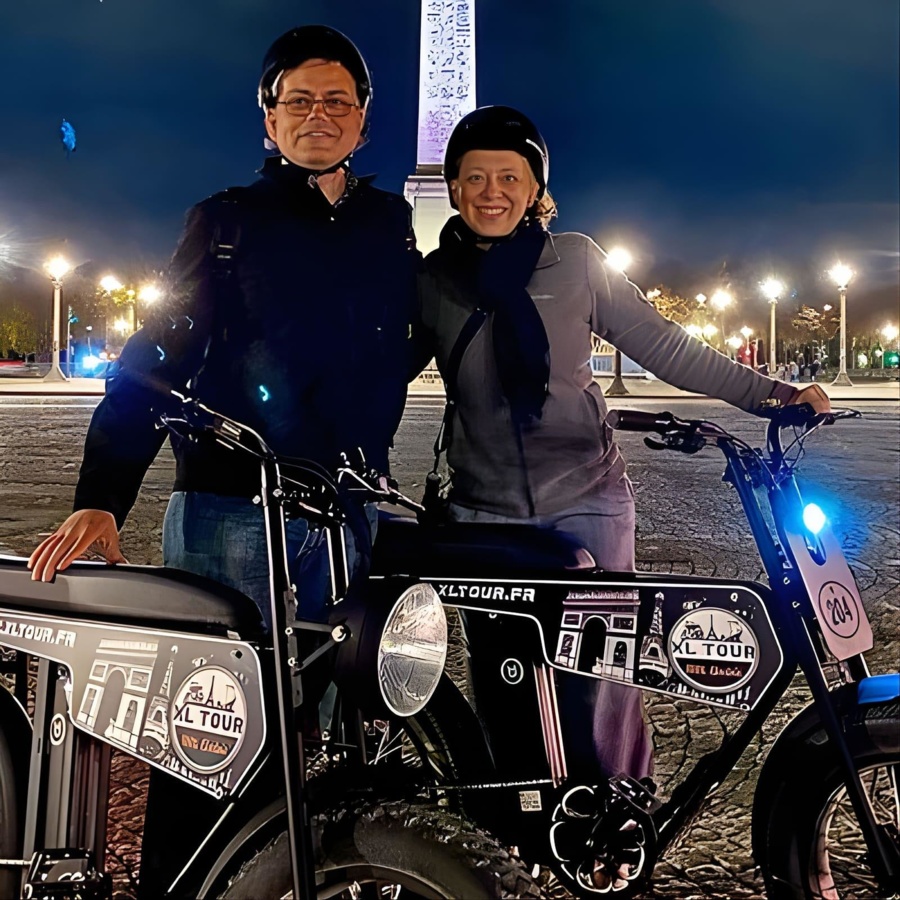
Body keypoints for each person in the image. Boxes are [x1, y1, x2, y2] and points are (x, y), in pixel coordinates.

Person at [411, 105, 830, 823]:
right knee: (507, 680)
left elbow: (664, 346)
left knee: (602, 677)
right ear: (450, 187)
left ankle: (616, 819)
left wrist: (772, 395)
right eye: (474, 176)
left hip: (587, 501)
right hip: (483, 516)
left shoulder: (574, 260)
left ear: (535, 187)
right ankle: (518, 833)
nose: (491, 191)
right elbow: (375, 372)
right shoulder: (433, 282)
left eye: (509, 176)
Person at [29, 25, 420, 631]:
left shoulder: (389, 223)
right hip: (232, 514)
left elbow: (402, 341)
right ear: (270, 119)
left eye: (337, 100)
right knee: (224, 717)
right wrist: (101, 499)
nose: (319, 114)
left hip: (351, 511)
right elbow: (153, 358)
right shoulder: (223, 222)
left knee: (331, 717)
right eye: (299, 100)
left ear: (362, 120)